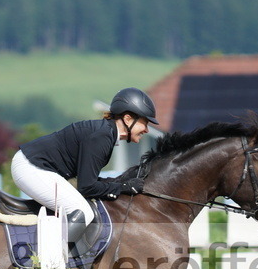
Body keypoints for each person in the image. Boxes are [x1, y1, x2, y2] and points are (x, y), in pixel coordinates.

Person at [11, 87, 159, 252]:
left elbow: (89, 181)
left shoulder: (106, 133)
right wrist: (123, 187)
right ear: (127, 118)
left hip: (33, 165)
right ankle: (48, 265)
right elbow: (87, 187)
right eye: (144, 122)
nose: (146, 129)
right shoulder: (102, 136)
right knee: (82, 211)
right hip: (31, 167)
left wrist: (120, 183)